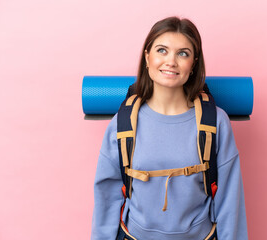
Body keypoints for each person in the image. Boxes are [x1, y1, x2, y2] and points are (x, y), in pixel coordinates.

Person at [91, 16, 248, 240]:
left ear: (193, 63)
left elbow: (231, 201)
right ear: (147, 57)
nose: (171, 61)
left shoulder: (215, 122)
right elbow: (106, 198)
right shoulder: (122, 123)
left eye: (183, 53)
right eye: (162, 50)